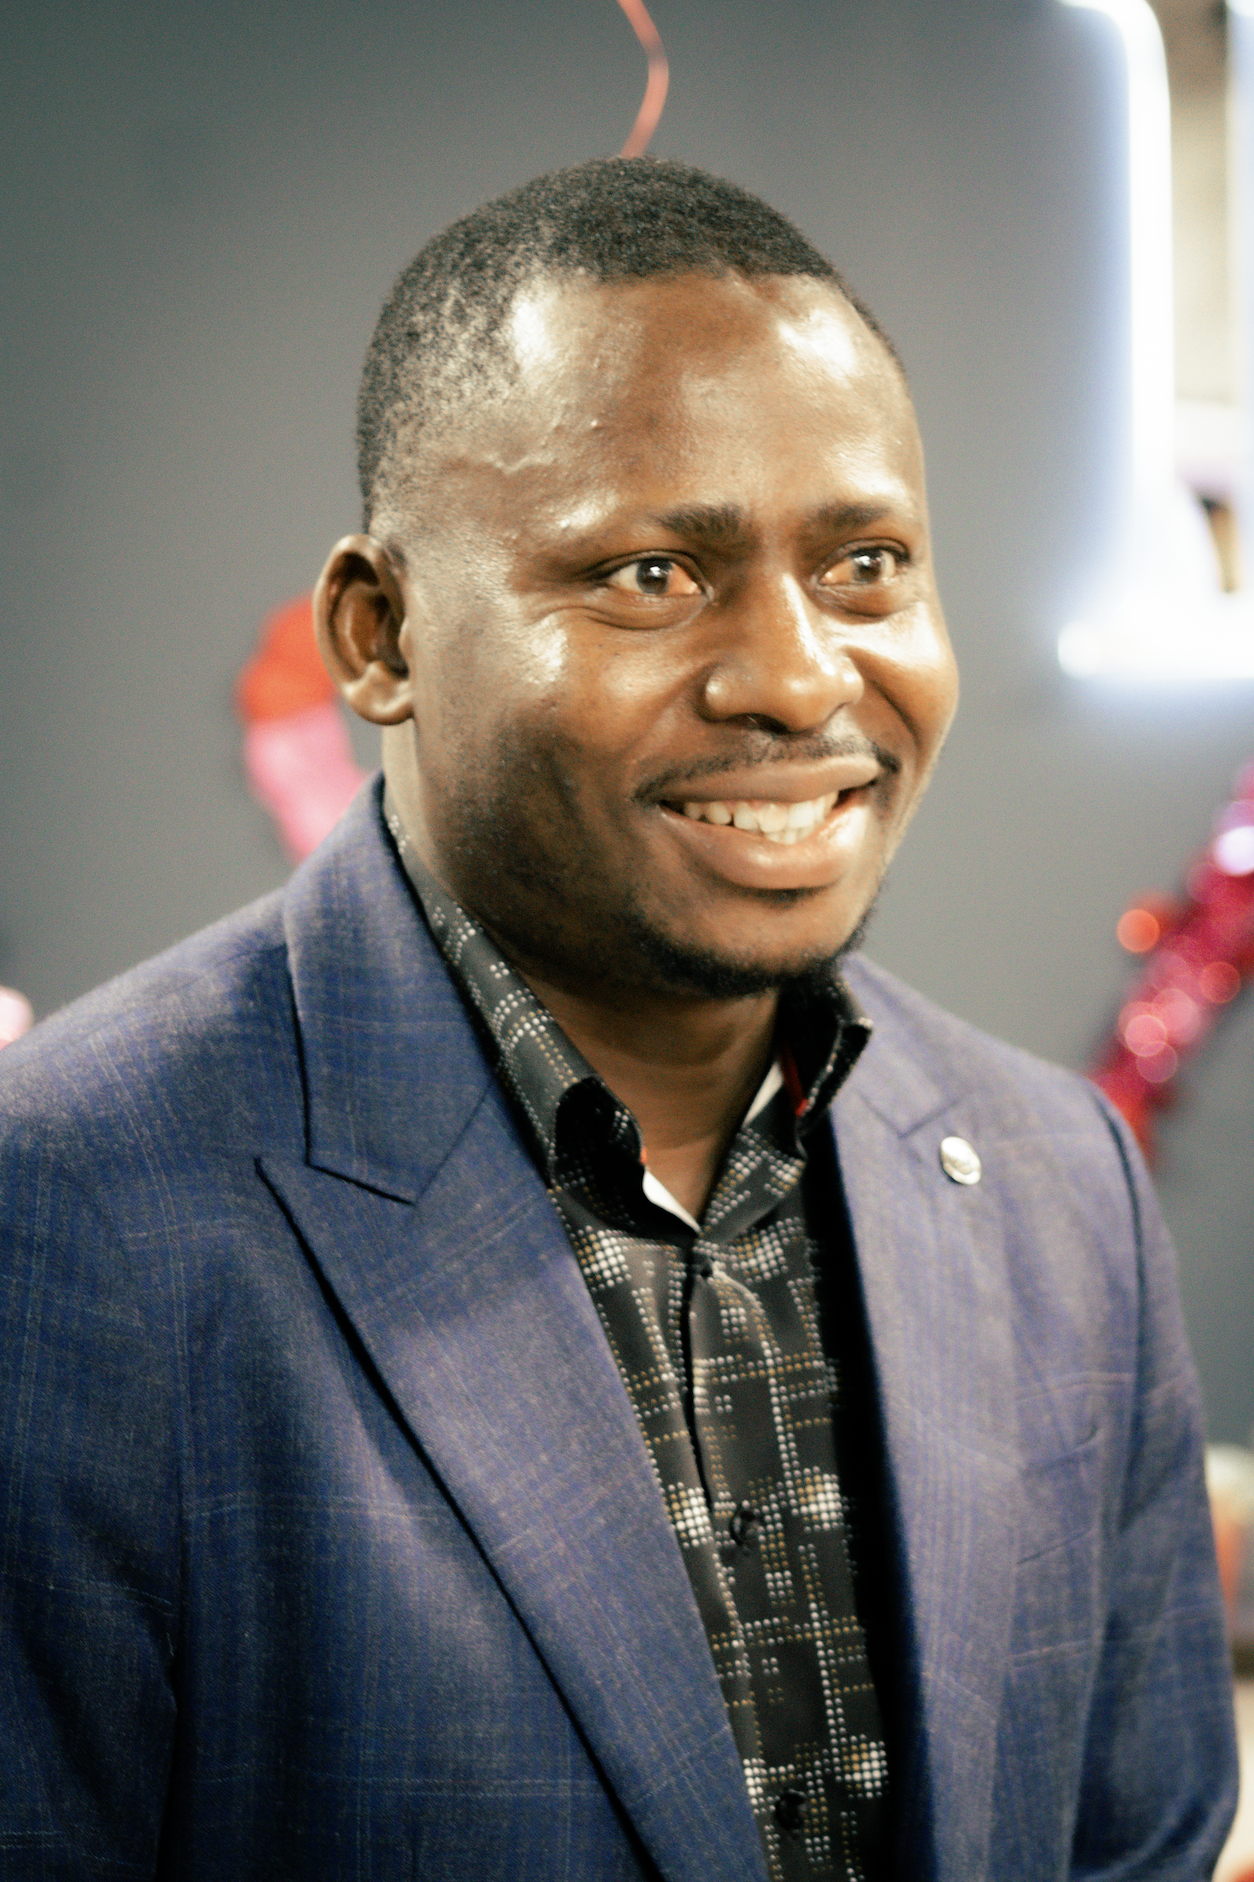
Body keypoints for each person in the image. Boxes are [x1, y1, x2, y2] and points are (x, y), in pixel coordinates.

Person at [0, 158, 1237, 1882]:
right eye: (654, 576)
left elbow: (1141, 1846)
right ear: (380, 631)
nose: (799, 677)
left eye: (865, 563)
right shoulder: (70, 1207)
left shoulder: (1052, 1181)